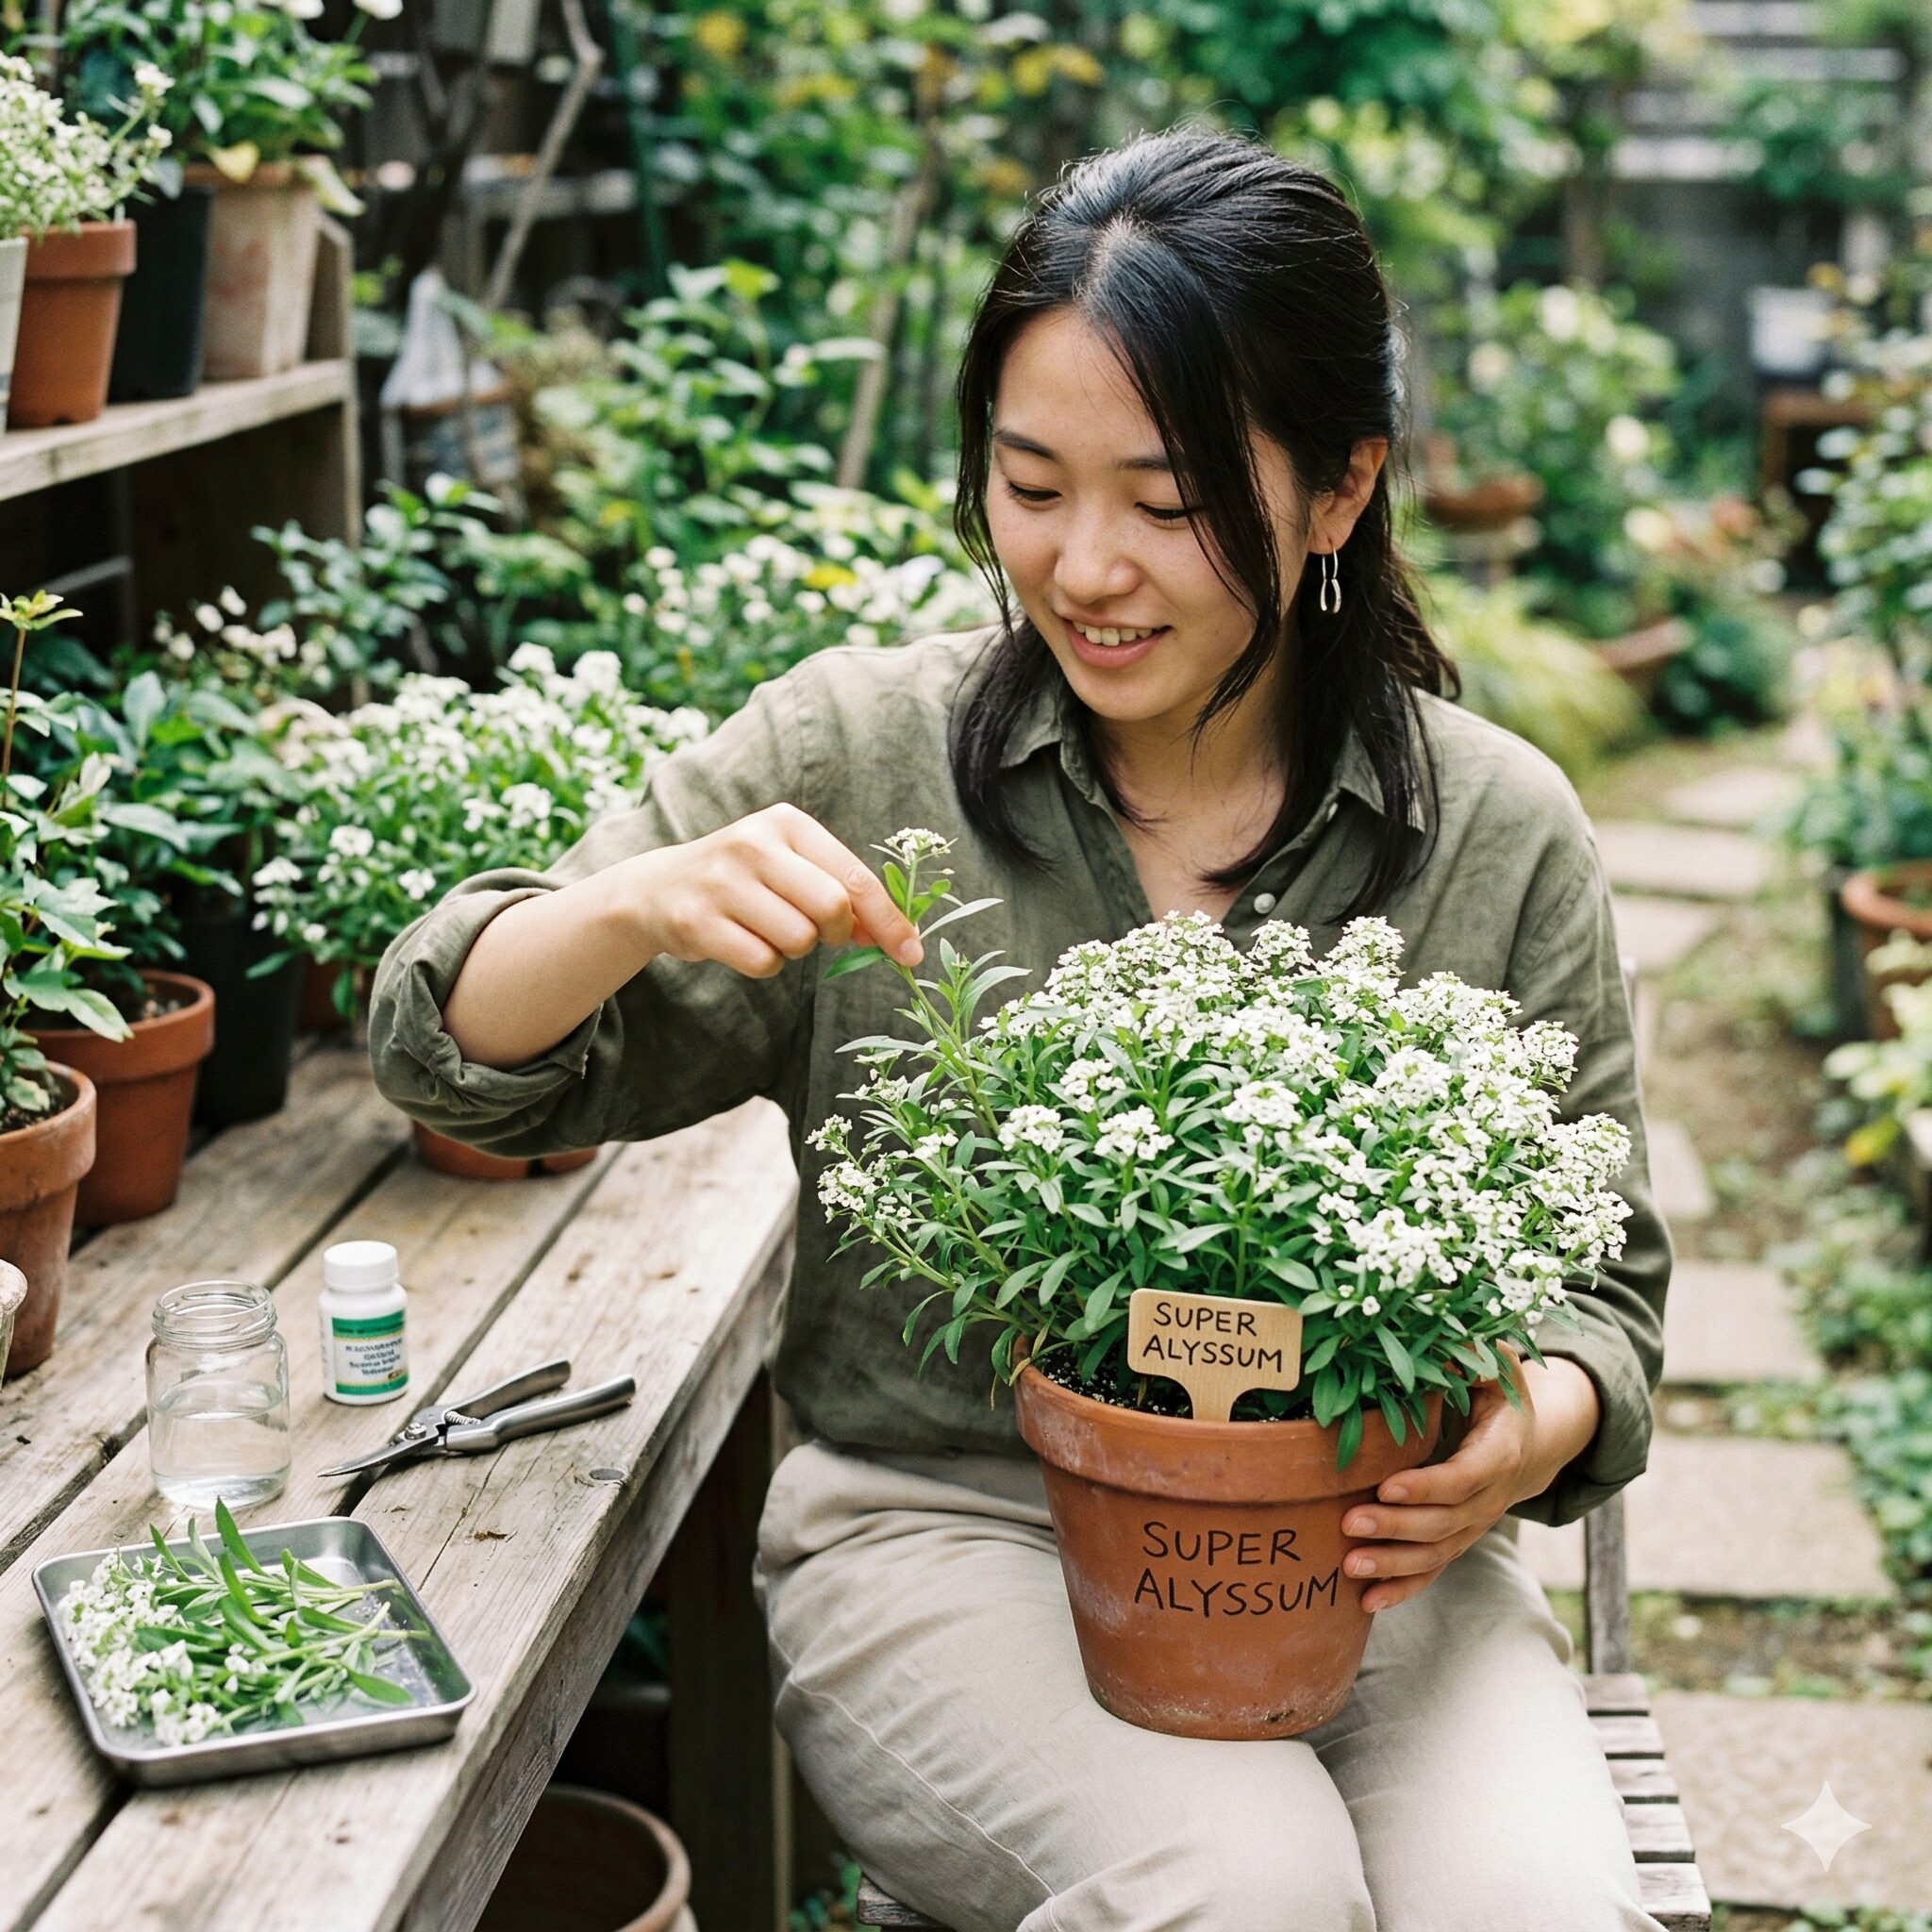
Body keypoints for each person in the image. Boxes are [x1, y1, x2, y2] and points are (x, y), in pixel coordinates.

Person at [368, 124, 1671, 1932]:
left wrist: (1522, 1426)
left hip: (1373, 1557)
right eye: (1030, 484)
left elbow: (1599, 1287)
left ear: (1340, 489)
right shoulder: (859, 755)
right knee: (1247, 1893)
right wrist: (616, 910)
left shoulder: (1497, 826)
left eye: (1168, 498)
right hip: (949, 1537)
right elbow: (453, 1056)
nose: (1085, 568)